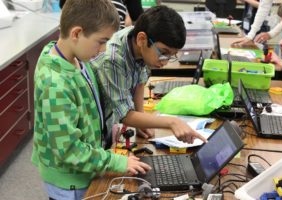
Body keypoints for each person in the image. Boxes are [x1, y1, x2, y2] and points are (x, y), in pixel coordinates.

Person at [32, 0, 151, 200]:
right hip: (70, 182)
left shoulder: (76, 58)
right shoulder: (55, 84)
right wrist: (118, 163)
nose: (103, 50)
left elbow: (87, 106)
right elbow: (69, 151)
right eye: (101, 41)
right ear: (77, 33)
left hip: (88, 167)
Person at [91, 5, 207, 146]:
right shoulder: (113, 60)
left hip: (109, 120)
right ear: (142, 39)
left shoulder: (138, 41)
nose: (165, 61)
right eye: (163, 52)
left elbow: (140, 81)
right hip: (95, 129)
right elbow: (125, 115)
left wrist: (141, 119)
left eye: (172, 56)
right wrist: (172, 122)